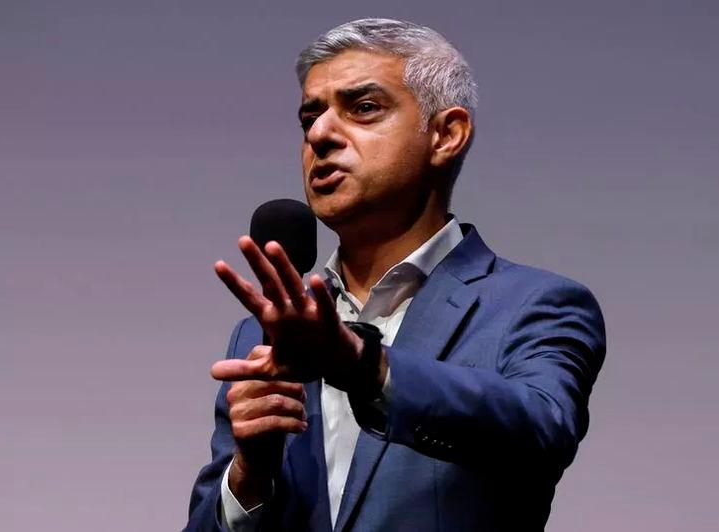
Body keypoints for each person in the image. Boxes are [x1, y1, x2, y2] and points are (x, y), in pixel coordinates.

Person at [185, 18, 606, 532]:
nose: (319, 134)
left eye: (363, 108)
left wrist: (365, 367)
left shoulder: (536, 304)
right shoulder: (264, 333)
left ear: (446, 134)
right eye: (309, 117)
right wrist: (251, 475)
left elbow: (543, 428)